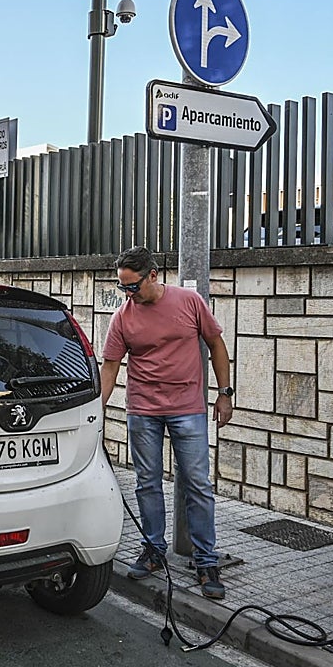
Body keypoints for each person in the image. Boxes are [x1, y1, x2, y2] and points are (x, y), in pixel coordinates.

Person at [100, 246, 234, 599]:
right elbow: (110, 367)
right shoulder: (122, 317)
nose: (128, 293)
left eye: (133, 286)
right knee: (147, 483)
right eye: (122, 287)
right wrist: (96, 409)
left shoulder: (189, 302)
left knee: (197, 484)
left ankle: (206, 561)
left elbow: (216, 345)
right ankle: (154, 550)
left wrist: (225, 393)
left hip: (188, 408)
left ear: (153, 275)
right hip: (143, 410)